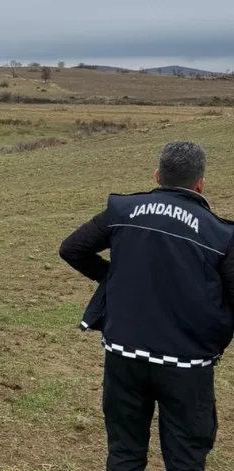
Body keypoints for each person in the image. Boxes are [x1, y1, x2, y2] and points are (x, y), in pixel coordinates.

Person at [60, 141, 234, 470]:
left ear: (157, 176)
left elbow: (72, 248)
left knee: (124, 452)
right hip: (187, 364)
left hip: (124, 353)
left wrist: (111, 278)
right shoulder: (220, 234)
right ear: (201, 183)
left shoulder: (123, 210)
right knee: (185, 458)